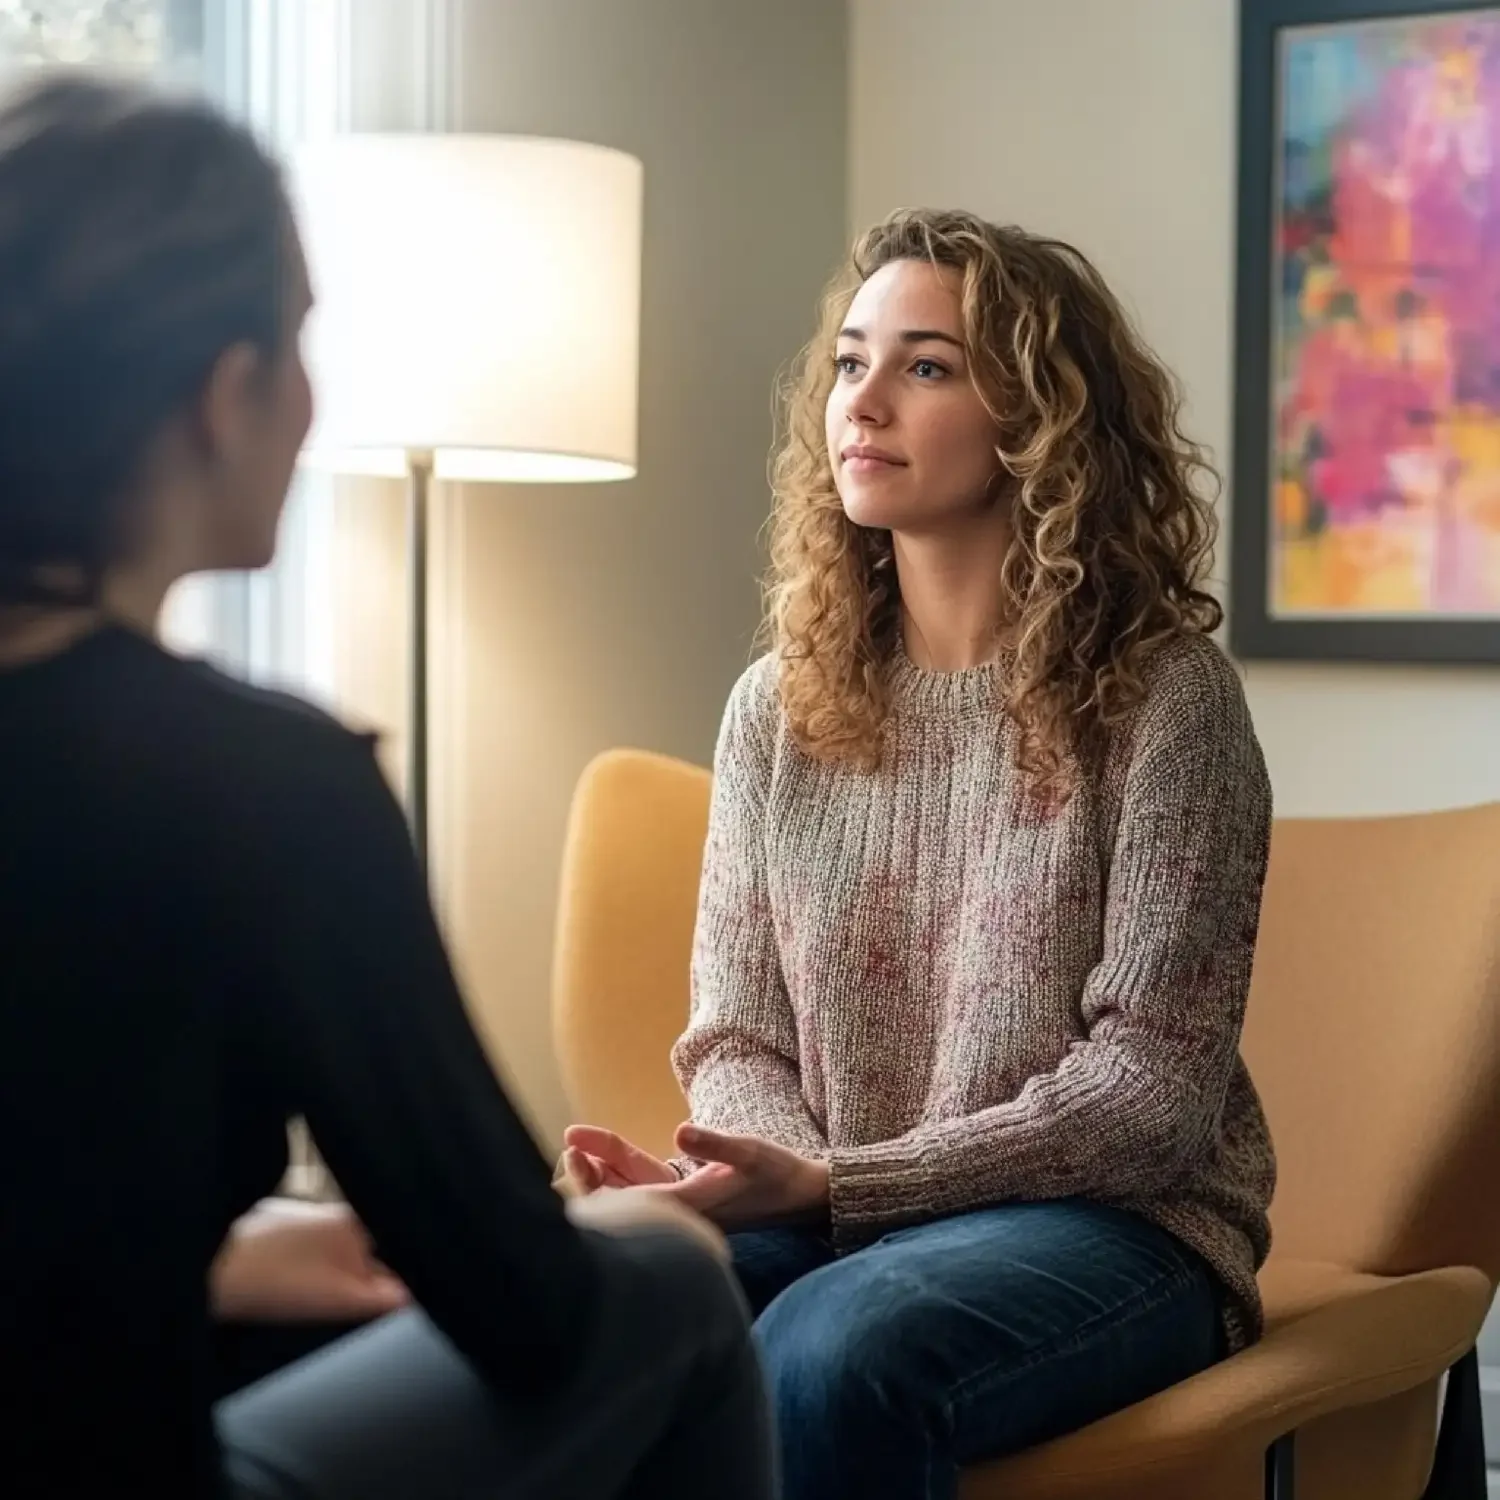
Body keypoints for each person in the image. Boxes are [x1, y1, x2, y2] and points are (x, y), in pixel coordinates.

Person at [0, 72, 774, 1500]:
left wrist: (226, 1256)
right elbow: (527, 1305)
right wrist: (644, 1229)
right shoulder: (262, 790)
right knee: (669, 1288)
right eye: (299, 342)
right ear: (224, 396)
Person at [561, 209, 1277, 1499]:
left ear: (1039, 423)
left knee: (836, 1350)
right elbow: (739, 1040)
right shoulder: (776, 709)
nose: (865, 400)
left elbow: (1149, 1100)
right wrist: (744, 1181)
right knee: (604, 1297)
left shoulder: (1168, 702)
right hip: (841, 1213)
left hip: (1120, 1231)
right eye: (851, 362)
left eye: (926, 365)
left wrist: (832, 1185)